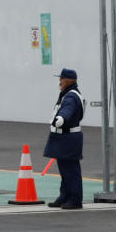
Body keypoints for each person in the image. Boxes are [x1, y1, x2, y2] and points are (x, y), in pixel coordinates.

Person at [43, 68, 86, 209]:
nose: (59, 82)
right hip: (65, 137)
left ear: (68, 81)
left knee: (70, 170)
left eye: (61, 79)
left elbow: (68, 109)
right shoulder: (68, 94)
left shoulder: (71, 96)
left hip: (69, 137)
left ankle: (75, 199)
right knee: (65, 170)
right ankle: (65, 196)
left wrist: (61, 118)